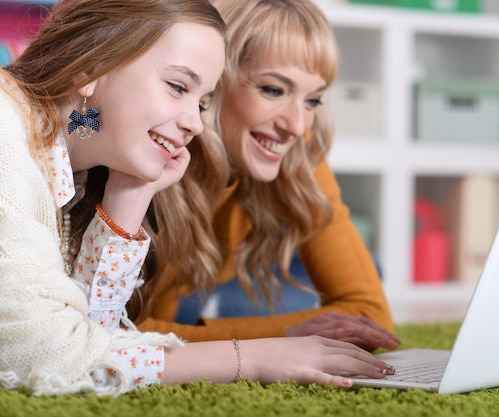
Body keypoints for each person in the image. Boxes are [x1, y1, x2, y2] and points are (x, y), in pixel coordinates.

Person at [0, 0, 394, 397]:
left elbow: (92, 332)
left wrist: (131, 191)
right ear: (91, 67)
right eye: (177, 87)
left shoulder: (75, 161)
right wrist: (253, 357)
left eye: (202, 101)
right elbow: (52, 354)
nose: (194, 122)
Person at [139, 0, 401, 353]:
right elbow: (121, 334)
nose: (295, 126)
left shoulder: (294, 146)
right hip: (189, 288)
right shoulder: (156, 151)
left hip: (237, 270)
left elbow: (371, 315)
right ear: (214, 79)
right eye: (273, 90)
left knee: (370, 270)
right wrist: (282, 336)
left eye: (313, 100)